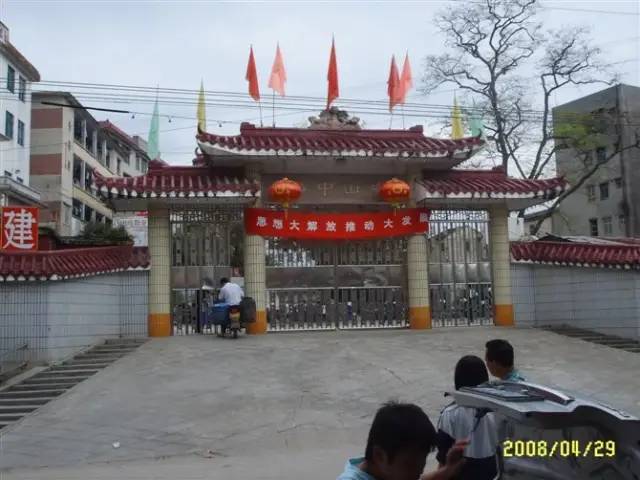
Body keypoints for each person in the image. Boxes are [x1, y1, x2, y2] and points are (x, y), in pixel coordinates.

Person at [337, 401, 468, 480]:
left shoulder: (384, 471)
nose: (418, 472)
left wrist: (446, 470)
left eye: (421, 464)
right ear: (379, 455)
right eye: (410, 465)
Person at [436, 356, 499, 480]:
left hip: (462, 472)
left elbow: (443, 458)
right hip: (493, 471)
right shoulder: (499, 410)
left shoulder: (450, 414)